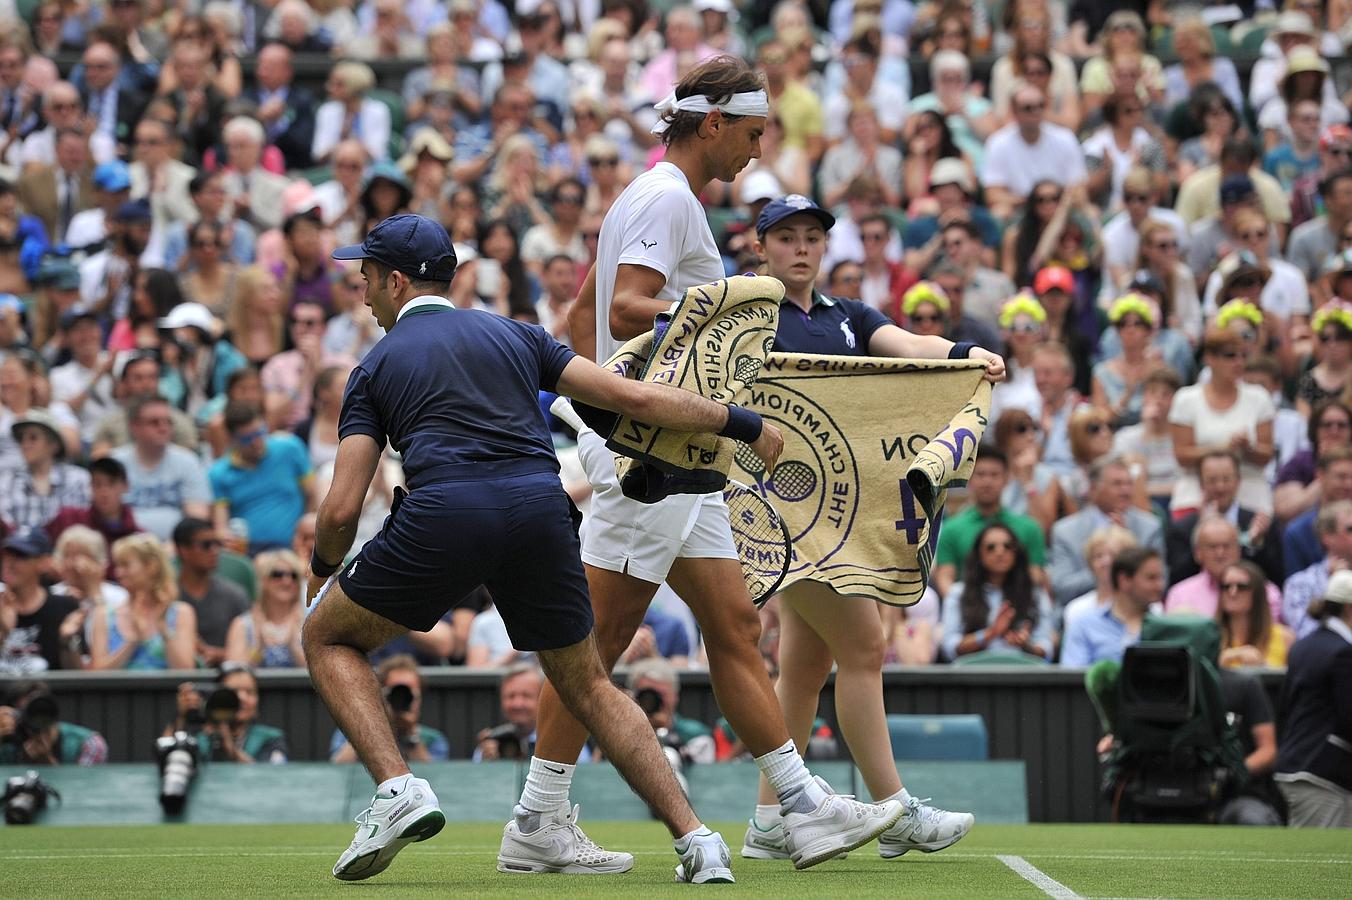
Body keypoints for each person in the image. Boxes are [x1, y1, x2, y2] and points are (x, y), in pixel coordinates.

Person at [297, 202, 861, 885]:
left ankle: (397, 789)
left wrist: (322, 572)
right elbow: (638, 401)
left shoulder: (374, 366)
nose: (359, 288)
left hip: (446, 511)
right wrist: (741, 422)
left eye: (366, 275)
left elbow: (339, 511)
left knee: (326, 636)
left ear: (393, 282)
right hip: (542, 512)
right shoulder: (519, 335)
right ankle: (697, 840)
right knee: (589, 682)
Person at [739, 194, 992, 859]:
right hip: (784, 519)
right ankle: (896, 809)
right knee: (864, 648)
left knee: (804, 669)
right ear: (760, 246)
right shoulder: (746, 320)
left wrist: (967, 353)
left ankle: (769, 823)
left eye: (812, 236)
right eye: (786, 235)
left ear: (825, 247)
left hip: (843, 520)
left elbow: (911, 348)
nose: (801, 247)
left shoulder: (851, 316)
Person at [1169, 328, 1276, 516]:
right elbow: (1182, 456)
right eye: (1230, 356)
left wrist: (1247, 448)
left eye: (1244, 355)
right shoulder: (1186, 399)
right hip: (1196, 485)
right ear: (1209, 358)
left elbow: (1266, 455)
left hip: (1248, 482)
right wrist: (1224, 448)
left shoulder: (1259, 398)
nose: (1239, 362)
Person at [1274, 568, 1352, 827]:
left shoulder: (1303, 645)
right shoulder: (1342, 653)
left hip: (1300, 767)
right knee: (1318, 864)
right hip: (1321, 775)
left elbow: (1284, 709)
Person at [1049, 456, 1166, 609]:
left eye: (1129, 484)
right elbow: (1063, 588)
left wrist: (1130, 552)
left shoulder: (1150, 527)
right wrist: (1102, 571)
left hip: (1137, 611)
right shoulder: (1065, 531)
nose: (1125, 490)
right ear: (1093, 488)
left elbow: (1160, 583)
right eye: (1117, 484)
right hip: (1084, 612)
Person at [933, 447, 1044, 598]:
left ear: (1006, 479)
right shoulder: (951, 529)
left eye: (994, 475)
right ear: (969, 478)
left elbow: (1036, 575)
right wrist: (962, 607)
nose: (987, 481)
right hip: (969, 610)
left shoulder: (1029, 528)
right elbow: (944, 577)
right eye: (980, 474)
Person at [209, 401, 314, 555]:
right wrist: (225, 537)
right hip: (249, 552)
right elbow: (221, 525)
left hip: (294, 548)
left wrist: (307, 535)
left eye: (260, 433)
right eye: (247, 438)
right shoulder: (219, 473)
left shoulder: (290, 448)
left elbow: (312, 496)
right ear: (231, 439)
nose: (256, 442)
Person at [941, 523, 1054, 662]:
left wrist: (1025, 645)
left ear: (1016, 552)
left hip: (1023, 675)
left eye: (1007, 546)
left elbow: (1047, 649)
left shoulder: (1035, 594)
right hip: (972, 676)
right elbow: (949, 647)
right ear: (979, 554)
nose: (1000, 552)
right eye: (991, 547)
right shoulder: (958, 593)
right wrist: (990, 634)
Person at [109, 395, 212, 541]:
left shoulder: (188, 461)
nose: (163, 428)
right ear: (134, 427)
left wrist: (176, 547)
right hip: (123, 548)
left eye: (168, 422)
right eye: (154, 422)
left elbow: (197, 519)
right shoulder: (114, 462)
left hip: (175, 551)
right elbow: (104, 518)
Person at [90, 533, 197, 670]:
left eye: (126, 565)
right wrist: (133, 641)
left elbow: (186, 671)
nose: (118, 573)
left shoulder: (182, 613)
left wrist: (163, 628)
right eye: (118, 566)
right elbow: (97, 673)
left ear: (151, 567)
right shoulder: (103, 615)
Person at [329, 654, 449, 765]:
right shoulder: (350, 733)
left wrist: (411, 735)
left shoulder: (433, 740)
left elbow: (433, 776)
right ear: (382, 695)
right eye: (395, 693)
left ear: (419, 698)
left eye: (409, 693)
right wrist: (369, 728)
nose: (402, 699)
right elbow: (339, 769)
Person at [1060, 546, 1166, 667]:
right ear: (1124, 580)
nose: (1160, 586)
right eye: (1151, 578)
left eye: (1160, 578)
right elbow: (1072, 677)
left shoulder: (1164, 627)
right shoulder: (1083, 625)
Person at [1165, 515, 1283, 621]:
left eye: (1227, 546)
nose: (1220, 553)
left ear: (1239, 550)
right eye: (1212, 547)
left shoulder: (1266, 592)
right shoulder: (1180, 595)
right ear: (1198, 553)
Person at [168, 662, 289, 763]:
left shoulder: (270, 738)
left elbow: (272, 778)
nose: (242, 698)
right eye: (234, 691)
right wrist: (181, 717)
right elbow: (166, 758)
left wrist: (230, 748)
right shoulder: (199, 739)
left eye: (250, 692)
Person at [0, 528, 80, 675]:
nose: (9, 562)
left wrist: (67, 641)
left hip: (52, 696)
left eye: (20, 556)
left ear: (44, 563)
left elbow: (78, 676)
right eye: (7, 555)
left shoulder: (64, 607)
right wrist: (3, 632)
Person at [172, 517, 250, 667]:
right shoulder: (166, 597)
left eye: (217, 544)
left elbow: (252, 646)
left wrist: (221, 655)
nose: (215, 551)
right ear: (182, 550)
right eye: (206, 545)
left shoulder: (234, 595)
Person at [0, 408, 91, 531]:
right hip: (17, 548)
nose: (25, 444)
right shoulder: (7, 480)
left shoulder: (78, 478)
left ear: (54, 445)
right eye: (21, 438)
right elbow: (5, 527)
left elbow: (83, 526)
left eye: (33, 438)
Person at [1283, 500, 1352, 640]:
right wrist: (1335, 588)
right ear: (1327, 537)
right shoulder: (1299, 583)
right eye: (1350, 529)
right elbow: (1307, 635)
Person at [224, 549, 305, 669]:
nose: (287, 581)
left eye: (294, 576)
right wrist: (259, 647)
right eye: (277, 574)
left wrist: (294, 645)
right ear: (264, 580)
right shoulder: (244, 625)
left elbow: (321, 677)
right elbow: (235, 675)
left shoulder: (311, 623)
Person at [0, 681, 108, 765]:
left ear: (51, 709)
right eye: (23, 712)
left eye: (40, 710)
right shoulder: (7, 744)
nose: (35, 718)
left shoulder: (89, 744)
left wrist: (46, 762)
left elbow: (84, 789)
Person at [1217, 560, 1294, 669]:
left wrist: (1262, 665)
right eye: (1226, 586)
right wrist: (1227, 657)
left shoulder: (1285, 637)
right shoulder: (1210, 636)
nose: (1232, 592)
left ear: (1257, 593)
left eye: (1241, 587)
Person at [474, 662, 548, 761]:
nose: (517, 704)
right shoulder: (492, 743)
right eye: (511, 696)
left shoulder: (561, 743)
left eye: (526, 696)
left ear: (543, 700)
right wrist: (487, 765)